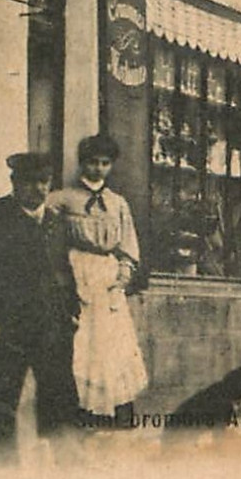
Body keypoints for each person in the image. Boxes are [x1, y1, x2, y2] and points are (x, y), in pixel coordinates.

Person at [0, 153, 80, 452]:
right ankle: (3, 471)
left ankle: (59, 472)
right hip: (6, 328)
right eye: (30, 183)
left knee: (57, 400)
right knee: (1, 400)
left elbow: (64, 270)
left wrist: (72, 312)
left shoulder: (55, 222)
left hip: (50, 326)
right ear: (14, 183)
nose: (38, 189)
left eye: (44, 182)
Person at [48, 134, 149, 427]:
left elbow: (128, 245)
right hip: (77, 272)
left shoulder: (117, 203)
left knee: (114, 344)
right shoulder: (63, 199)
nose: (98, 168)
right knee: (85, 344)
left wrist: (122, 277)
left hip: (107, 276)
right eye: (92, 162)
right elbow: (49, 238)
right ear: (82, 163)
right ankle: (86, 410)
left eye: (105, 163)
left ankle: (118, 409)